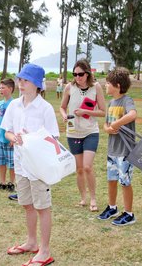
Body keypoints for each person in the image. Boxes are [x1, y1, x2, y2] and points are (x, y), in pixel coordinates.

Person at [1, 63, 59, 266]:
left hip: (39, 167)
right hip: (20, 165)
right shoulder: (14, 105)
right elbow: (6, 131)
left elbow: (53, 137)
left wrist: (31, 139)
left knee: (42, 207)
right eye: (20, 80)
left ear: (36, 84)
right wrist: (13, 137)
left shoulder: (45, 108)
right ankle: (31, 242)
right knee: (27, 205)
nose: (20, 84)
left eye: (25, 81)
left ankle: (44, 251)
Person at [59, 59, 106, 212]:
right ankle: (83, 198)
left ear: (87, 74)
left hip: (91, 132)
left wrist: (86, 112)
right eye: (75, 74)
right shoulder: (69, 87)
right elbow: (62, 107)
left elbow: (103, 112)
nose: (77, 77)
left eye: (80, 74)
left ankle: (93, 199)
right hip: (73, 133)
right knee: (79, 169)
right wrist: (64, 115)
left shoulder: (96, 87)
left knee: (87, 166)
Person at [97, 67, 138, 226]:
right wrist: (108, 128)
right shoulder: (111, 102)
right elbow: (106, 125)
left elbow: (133, 114)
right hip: (112, 150)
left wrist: (117, 123)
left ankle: (129, 213)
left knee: (125, 182)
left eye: (108, 83)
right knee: (111, 179)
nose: (105, 86)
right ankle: (112, 207)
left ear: (118, 85)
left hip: (125, 151)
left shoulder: (127, 100)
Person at [0, 79, 15, 192]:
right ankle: (2, 182)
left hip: (10, 138)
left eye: (3, 88)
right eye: (0, 88)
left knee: (11, 163)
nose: (0, 90)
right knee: (1, 161)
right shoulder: (0, 104)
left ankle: (12, 183)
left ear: (10, 89)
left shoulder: (14, 104)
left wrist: (13, 138)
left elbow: (16, 122)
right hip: (0, 137)